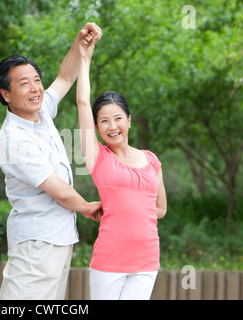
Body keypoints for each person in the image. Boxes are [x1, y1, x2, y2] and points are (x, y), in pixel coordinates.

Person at [0, 22, 102, 300]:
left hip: (58, 238)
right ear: (6, 94)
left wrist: (80, 45)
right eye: (24, 83)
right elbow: (60, 191)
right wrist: (91, 208)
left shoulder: (41, 113)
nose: (35, 88)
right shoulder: (13, 139)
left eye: (37, 80)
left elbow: (65, 78)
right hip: (36, 243)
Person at [76, 31, 167, 300]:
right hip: (109, 262)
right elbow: (82, 102)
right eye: (104, 121)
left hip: (146, 261)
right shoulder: (97, 157)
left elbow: (160, 208)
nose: (112, 126)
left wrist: (129, 208)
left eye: (118, 118)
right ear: (96, 127)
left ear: (129, 120)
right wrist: (84, 58)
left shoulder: (151, 160)